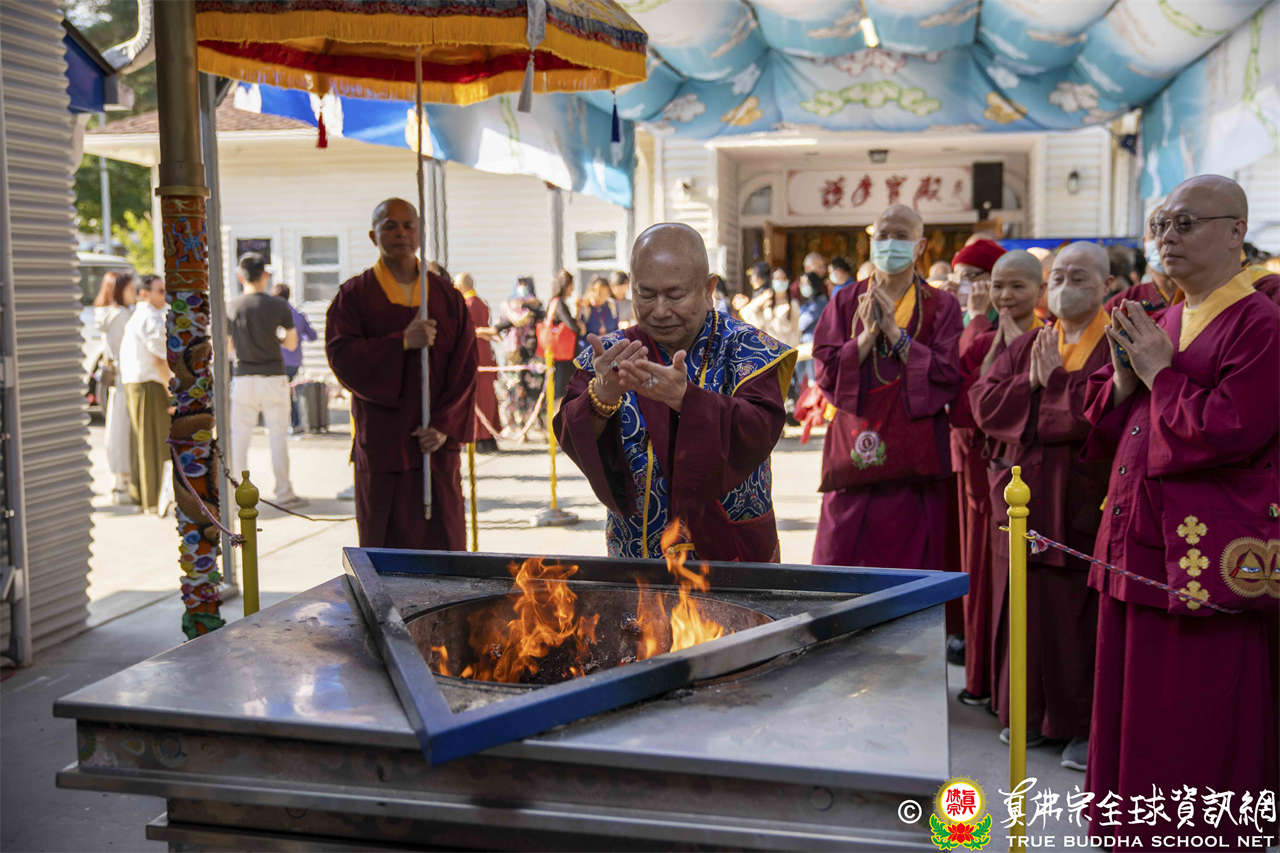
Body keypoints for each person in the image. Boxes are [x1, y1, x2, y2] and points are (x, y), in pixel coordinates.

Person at [1081, 176, 1278, 846]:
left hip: (1200, 557)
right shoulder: (1161, 320)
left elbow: (1231, 429)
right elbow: (1116, 424)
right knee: (1130, 705)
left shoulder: (1261, 324)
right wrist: (1127, 379)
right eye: (1161, 224)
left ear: (1235, 231)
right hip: (1136, 538)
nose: (1167, 237)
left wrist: (1161, 374)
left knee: (1193, 712)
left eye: (1185, 223)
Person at [554, 223, 795, 561]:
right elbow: (571, 433)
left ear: (708, 289)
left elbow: (760, 429)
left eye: (675, 295)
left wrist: (688, 400)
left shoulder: (748, 348)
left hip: (731, 551)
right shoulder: (611, 354)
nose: (660, 310)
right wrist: (601, 397)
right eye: (646, 294)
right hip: (637, 554)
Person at [970, 242, 1114, 770]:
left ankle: (1078, 727)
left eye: (1080, 277)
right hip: (1022, 499)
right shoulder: (1034, 342)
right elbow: (983, 403)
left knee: (1076, 619)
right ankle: (1026, 714)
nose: (1065, 287)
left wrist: (1049, 386)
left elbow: (1097, 413)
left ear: (1106, 286)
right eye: (1058, 278)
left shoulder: (1116, 343)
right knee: (1024, 609)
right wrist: (1033, 382)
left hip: (1082, 501)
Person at [811, 204, 963, 571]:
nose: (890, 243)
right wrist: (865, 339)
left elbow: (947, 374)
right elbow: (825, 371)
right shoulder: (845, 301)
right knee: (842, 558)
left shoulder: (942, 305)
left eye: (901, 236)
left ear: (920, 246)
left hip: (916, 462)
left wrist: (896, 335)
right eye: (883, 236)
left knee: (917, 564)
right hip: (855, 454)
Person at [325, 198, 478, 549]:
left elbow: (466, 367)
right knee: (386, 547)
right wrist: (402, 342)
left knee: (444, 545)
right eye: (390, 226)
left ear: (419, 232)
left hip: (435, 445)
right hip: (384, 443)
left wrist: (444, 426)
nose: (401, 233)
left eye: (408, 225)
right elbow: (342, 357)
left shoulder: (446, 297)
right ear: (373, 235)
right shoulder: (355, 295)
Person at [948, 250, 1045, 709]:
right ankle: (982, 678)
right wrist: (992, 360)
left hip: (1031, 474)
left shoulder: (1049, 338)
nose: (1005, 296)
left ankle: (1013, 692)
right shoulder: (983, 339)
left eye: (1016, 287)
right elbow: (965, 407)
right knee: (983, 569)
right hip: (983, 467)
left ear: (1039, 290)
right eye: (999, 286)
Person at [228, 253, 304, 508]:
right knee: (278, 436)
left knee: (240, 438)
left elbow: (227, 346)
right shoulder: (278, 306)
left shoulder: (232, 306)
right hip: (274, 376)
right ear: (265, 275)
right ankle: (284, 491)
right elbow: (291, 343)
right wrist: (275, 339)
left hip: (243, 378)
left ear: (240, 277)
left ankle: (237, 493)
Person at [118, 274, 170, 514]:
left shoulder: (140, 316)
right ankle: (153, 499)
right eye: (160, 290)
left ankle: (143, 496)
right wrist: (171, 389)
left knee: (142, 440)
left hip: (138, 383)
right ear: (144, 293)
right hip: (149, 384)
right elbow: (159, 358)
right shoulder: (150, 317)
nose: (165, 295)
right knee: (154, 442)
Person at [93, 271, 136, 505]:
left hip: (112, 379)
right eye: (130, 289)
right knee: (123, 430)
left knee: (115, 429)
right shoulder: (123, 317)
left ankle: (119, 481)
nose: (135, 293)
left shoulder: (106, 314)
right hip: (125, 377)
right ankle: (125, 482)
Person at [455, 272, 501, 453]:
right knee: (486, 396)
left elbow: (468, 330)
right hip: (484, 353)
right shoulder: (481, 303)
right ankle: (487, 437)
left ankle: (479, 437)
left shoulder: (469, 304)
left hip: (474, 354)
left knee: (478, 397)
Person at [493, 276, 545, 433]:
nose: (522, 291)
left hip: (532, 356)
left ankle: (535, 424)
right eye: (520, 286)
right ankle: (518, 425)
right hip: (513, 356)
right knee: (515, 390)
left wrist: (529, 306)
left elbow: (541, 314)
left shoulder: (536, 309)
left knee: (533, 392)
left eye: (525, 286)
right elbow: (502, 325)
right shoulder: (509, 309)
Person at [1106, 208, 1182, 313]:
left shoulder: (1200, 299)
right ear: (1144, 243)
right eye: (1155, 233)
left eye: (1175, 233)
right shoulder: (1120, 305)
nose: (1164, 241)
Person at [270, 283, 318, 434]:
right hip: (294, 361)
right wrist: (300, 335)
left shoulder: (272, 315)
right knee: (288, 392)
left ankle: (287, 423)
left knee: (280, 394)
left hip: (277, 361)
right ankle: (294, 423)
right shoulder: (298, 314)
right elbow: (312, 336)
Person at [951, 238, 1005, 331]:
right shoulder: (960, 315)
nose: (959, 283)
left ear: (993, 277)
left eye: (967, 275)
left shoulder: (1008, 317)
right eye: (955, 276)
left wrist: (977, 315)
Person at [548, 269, 585, 402]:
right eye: (571, 285)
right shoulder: (558, 303)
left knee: (563, 390)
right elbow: (572, 326)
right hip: (562, 355)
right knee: (561, 391)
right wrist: (579, 327)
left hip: (562, 353)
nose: (572, 289)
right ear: (565, 286)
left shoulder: (555, 302)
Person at [739, 267, 799, 346]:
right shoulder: (765, 303)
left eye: (783, 278)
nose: (780, 281)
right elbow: (745, 312)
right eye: (777, 278)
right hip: (767, 348)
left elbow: (796, 331)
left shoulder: (793, 304)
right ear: (772, 281)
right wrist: (763, 298)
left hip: (785, 348)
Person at [794, 271, 829, 388]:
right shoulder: (808, 302)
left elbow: (801, 323)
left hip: (813, 347)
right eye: (802, 283)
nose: (803, 286)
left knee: (813, 383)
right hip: (804, 348)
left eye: (806, 283)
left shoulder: (820, 302)